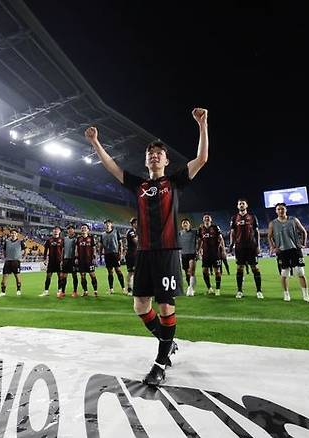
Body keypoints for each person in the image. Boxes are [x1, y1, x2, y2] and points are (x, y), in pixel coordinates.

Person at [85, 107, 208, 386]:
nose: (154, 156)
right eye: (150, 154)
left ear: (165, 160)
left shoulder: (174, 181)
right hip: (144, 253)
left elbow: (202, 158)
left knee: (165, 307)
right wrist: (95, 143)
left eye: (159, 154)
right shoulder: (138, 185)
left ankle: (160, 364)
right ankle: (168, 341)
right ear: (146, 160)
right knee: (140, 306)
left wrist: (202, 124)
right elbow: (113, 167)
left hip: (166, 251)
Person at [268, 203, 309, 302]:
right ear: (276, 211)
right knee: (284, 274)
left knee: (301, 272)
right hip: (282, 251)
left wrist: (303, 243)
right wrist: (273, 247)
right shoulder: (273, 223)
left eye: (282, 209)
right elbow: (269, 236)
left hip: (295, 250)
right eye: (278, 209)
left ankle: (306, 296)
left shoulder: (293, 220)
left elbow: (304, 231)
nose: (281, 211)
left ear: (286, 210)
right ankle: (286, 295)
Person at [229, 199, 263, 299]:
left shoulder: (252, 217)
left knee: (255, 268)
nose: (241, 205)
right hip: (239, 247)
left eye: (243, 203)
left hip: (251, 246)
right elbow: (232, 232)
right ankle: (239, 291)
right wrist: (231, 244)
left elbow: (257, 232)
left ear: (246, 205)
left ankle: (259, 291)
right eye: (239, 203)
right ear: (237, 206)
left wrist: (258, 245)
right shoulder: (234, 217)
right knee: (239, 268)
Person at [197, 214, 225, 296]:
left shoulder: (215, 227)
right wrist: (198, 250)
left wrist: (223, 250)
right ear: (203, 220)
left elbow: (221, 238)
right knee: (204, 271)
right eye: (205, 217)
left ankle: (218, 289)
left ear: (211, 219)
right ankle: (209, 288)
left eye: (208, 217)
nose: (206, 218)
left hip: (215, 253)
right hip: (206, 254)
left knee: (217, 271)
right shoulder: (201, 229)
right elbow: (200, 240)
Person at [0, 229, 26, 297]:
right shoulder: (7, 242)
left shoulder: (20, 241)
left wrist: (23, 258)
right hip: (8, 261)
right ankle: (3, 292)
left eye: (14, 233)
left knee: (17, 276)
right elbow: (4, 250)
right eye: (12, 233)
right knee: (4, 277)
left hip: (16, 261)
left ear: (17, 234)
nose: (13, 234)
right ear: (10, 234)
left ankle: (18, 290)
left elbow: (25, 250)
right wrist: (5, 257)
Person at [100, 219, 125, 294]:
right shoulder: (102, 234)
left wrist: (120, 254)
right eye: (106, 223)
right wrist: (101, 254)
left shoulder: (115, 232)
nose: (107, 224)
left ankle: (123, 288)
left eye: (109, 223)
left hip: (115, 253)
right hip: (107, 254)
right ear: (104, 225)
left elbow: (120, 244)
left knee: (118, 270)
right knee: (110, 272)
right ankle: (111, 289)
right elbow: (101, 246)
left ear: (111, 224)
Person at [39, 226, 64, 298]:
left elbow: (64, 250)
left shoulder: (62, 240)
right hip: (51, 261)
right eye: (55, 230)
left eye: (57, 230)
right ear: (53, 231)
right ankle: (46, 291)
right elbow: (46, 250)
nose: (56, 231)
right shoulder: (49, 240)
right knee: (48, 276)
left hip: (59, 261)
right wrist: (44, 258)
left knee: (60, 276)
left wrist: (63, 260)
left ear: (59, 231)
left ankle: (59, 291)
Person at [76, 224, 99, 297]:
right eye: (82, 228)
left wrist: (94, 257)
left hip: (89, 260)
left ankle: (95, 290)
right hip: (81, 260)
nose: (83, 229)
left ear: (88, 230)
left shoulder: (91, 238)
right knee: (82, 275)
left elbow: (94, 248)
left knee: (92, 275)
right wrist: (76, 257)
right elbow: (76, 248)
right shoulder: (78, 238)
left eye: (85, 228)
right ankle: (85, 291)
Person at [178, 218, 198, 296]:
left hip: (192, 254)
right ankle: (190, 286)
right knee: (187, 272)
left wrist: (199, 249)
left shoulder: (194, 232)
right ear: (182, 225)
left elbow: (201, 239)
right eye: (183, 223)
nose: (185, 224)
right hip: (183, 254)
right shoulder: (180, 233)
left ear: (189, 224)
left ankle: (191, 289)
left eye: (186, 223)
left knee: (192, 271)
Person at [61, 224, 80, 297]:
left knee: (74, 275)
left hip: (73, 259)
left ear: (74, 230)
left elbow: (78, 249)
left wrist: (77, 258)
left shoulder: (77, 239)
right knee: (64, 276)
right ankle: (63, 292)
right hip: (66, 259)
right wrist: (62, 260)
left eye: (72, 229)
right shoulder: (65, 239)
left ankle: (75, 291)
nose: (70, 230)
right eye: (69, 229)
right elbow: (63, 249)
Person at [125, 218, 138, 295]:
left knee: (135, 272)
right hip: (131, 255)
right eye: (136, 223)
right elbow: (136, 241)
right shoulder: (131, 232)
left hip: (135, 254)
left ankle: (134, 288)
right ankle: (129, 289)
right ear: (132, 224)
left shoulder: (136, 232)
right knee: (131, 272)